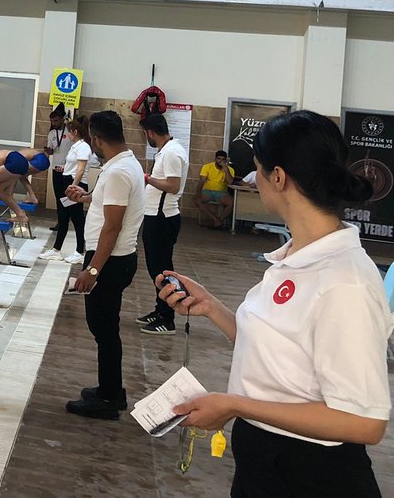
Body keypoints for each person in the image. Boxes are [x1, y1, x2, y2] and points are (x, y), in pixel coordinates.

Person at [158, 111, 393, 497]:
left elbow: (363, 422)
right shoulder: (297, 257)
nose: (255, 180)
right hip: (265, 461)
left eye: (257, 171)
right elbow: (282, 356)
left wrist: (235, 405)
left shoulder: (343, 282)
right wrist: (212, 307)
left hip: (312, 474)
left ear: (279, 177)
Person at [62, 110, 146, 420]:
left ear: (97, 139)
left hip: (109, 261)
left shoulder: (116, 172)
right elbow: (110, 207)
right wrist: (86, 198)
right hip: (116, 258)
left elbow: (112, 226)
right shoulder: (126, 164)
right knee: (106, 328)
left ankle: (109, 399)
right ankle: (110, 389)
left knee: (104, 331)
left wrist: (93, 270)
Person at [136, 113, 189, 335]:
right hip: (156, 217)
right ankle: (160, 309)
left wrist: (147, 179)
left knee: (161, 270)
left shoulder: (172, 152)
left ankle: (167, 319)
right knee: (156, 269)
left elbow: (173, 185)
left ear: (150, 132)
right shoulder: (167, 151)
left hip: (162, 218)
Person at [40, 115, 91, 264]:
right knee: (63, 216)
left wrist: (73, 186)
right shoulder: (76, 146)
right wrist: (64, 169)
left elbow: (80, 170)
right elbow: (74, 166)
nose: (67, 135)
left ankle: (80, 251)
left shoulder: (83, 147)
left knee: (77, 219)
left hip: (76, 184)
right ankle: (56, 250)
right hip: (67, 180)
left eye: (69, 132)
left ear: (75, 132)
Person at [197, 150, 236, 229]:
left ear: (226, 160)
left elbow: (230, 182)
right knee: (196, 200)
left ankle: (218, 221)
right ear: (215, 159)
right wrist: (197, 193)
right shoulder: (207, 166)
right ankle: (216, 220)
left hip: (222, 193)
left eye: (223, 159)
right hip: (207, 191)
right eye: (219, 159)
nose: (220, 161)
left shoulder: (230, 169)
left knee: (232, 203)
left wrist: (225, 168)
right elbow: (202, 181)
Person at [45, 104, 70, 218]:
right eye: (52, 121)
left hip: (68, 170)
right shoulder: (51, 134)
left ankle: (67, 219)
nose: (53, 123)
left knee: (67, 197)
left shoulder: (70, 132)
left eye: (56, 121)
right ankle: (60, 221)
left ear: (62, 119)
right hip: (56, 169)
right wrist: (48, 151)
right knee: (58, 197)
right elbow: (51, 152)